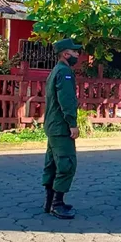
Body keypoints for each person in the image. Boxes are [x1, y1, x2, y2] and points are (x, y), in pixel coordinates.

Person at [42, 38, 83, 220]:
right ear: (66, 54)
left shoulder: (56, 70)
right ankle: (57, 204)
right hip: (61, 126)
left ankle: (50, 201)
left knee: (52, 163)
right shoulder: (65, 72)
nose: (77, 55)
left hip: (53, 125)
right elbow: (66, 101)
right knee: (66, 164)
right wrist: (72, 124)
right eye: (75, 52)